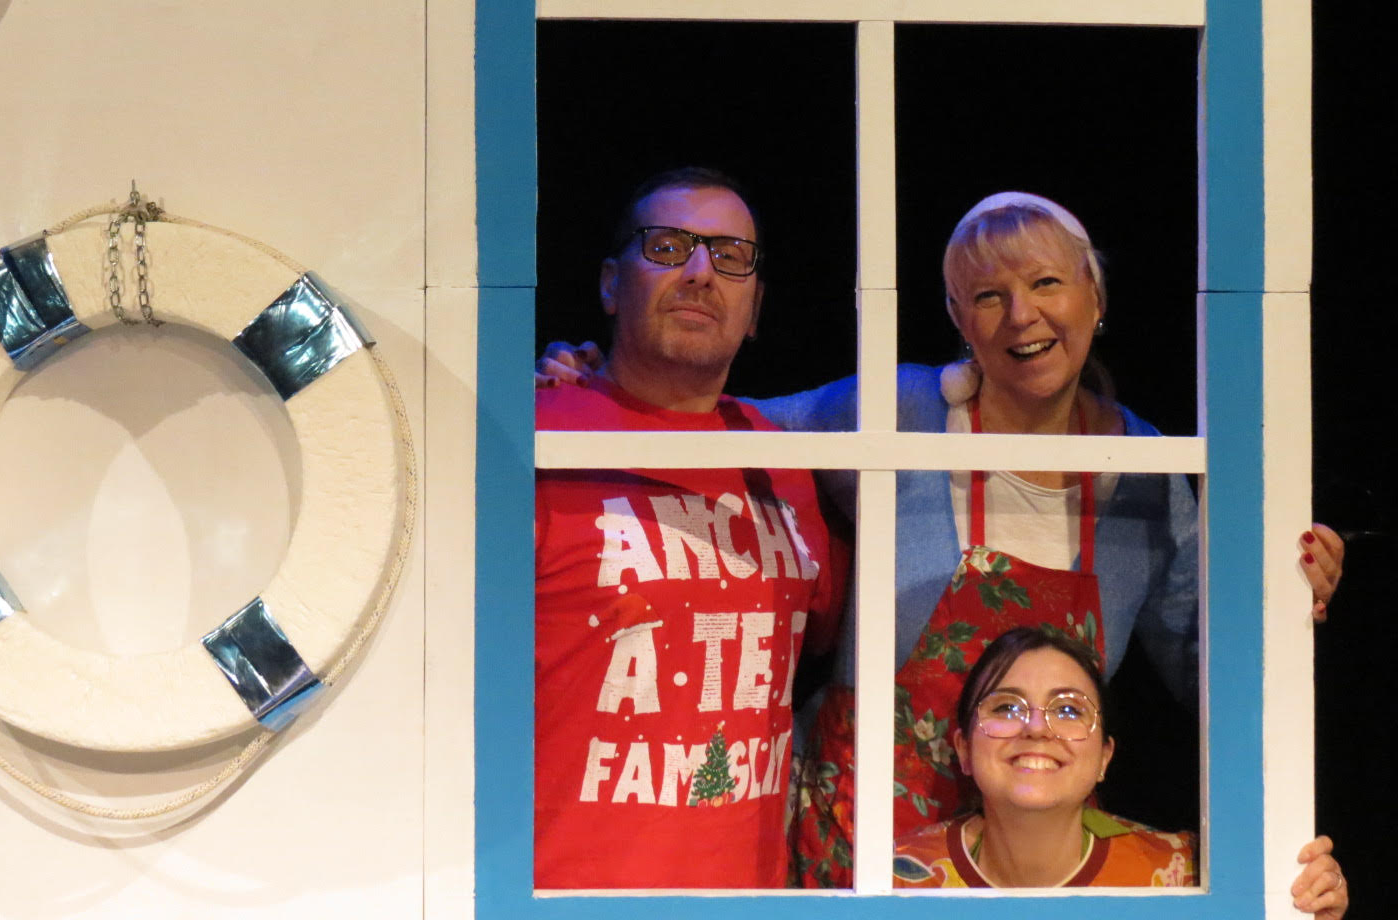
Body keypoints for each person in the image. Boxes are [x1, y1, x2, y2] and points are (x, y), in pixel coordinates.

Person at [539, 192, 1344, 885]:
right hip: (858, 855)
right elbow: (717, 424)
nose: (1021, 315)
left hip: (1027, 857)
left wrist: (1285, 600)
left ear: (1095, 298)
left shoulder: (1148, 473)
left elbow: (1219, 674)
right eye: (988, 295)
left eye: (1046, 283)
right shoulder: (900, 414)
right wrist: (589, 385)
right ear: (959, 319)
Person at [535, 167, 847, 888]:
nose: (702, 273)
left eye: (731, 256)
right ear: (611, 284)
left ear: (755, 307)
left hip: (748, 893)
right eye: (668, 247)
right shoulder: (541, 437)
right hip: (565, 891)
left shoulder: (782, 460)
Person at [892, 627, 1349, 917]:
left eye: (1068, 710)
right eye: (1007, 707)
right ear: (964, 749)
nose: (1036, 727)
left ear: (1104, 758)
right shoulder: (892, 878)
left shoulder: (1190, 872)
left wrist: (1308, 904)